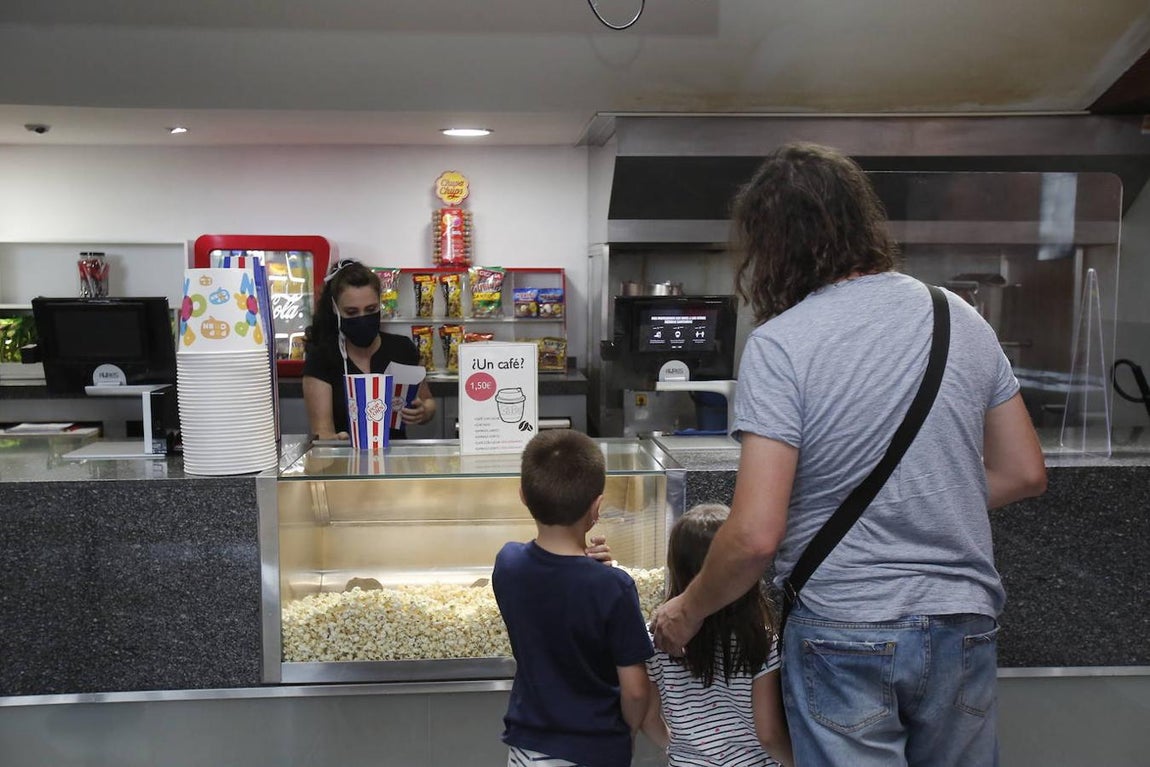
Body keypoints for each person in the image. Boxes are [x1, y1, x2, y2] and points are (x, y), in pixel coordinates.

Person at [650, 142, 1047, 767]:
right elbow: (1024, 471)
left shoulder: (782, 344)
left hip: (845, 626)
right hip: (960, 620)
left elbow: (755, 533)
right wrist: (917, 500)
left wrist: (689, 609)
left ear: (770, 247)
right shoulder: (959, 317)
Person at [492, 429, 653, 767]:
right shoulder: (614, 587)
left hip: (528, 749)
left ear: (523, 495)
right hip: (596, 749)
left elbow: (550, 574)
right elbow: (636, 690)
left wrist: (584, 560)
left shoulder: (507, 564)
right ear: (597, 507)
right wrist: (630, 730)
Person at [641, 503, 793, 767]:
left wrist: (678, 749)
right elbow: (768, 734)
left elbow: (648, 718)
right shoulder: (760, 640)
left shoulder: (656, 639)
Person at [302, 259, 435, 440]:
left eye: (371, 309)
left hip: (395, 463)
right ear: (335, 310)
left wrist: (423, 411)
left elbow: (427, 401)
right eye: (352, 312)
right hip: (345, 464)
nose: (363, 318)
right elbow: (322, 431)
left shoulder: (403, 349)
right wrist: (332, 442)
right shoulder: (323, 358)